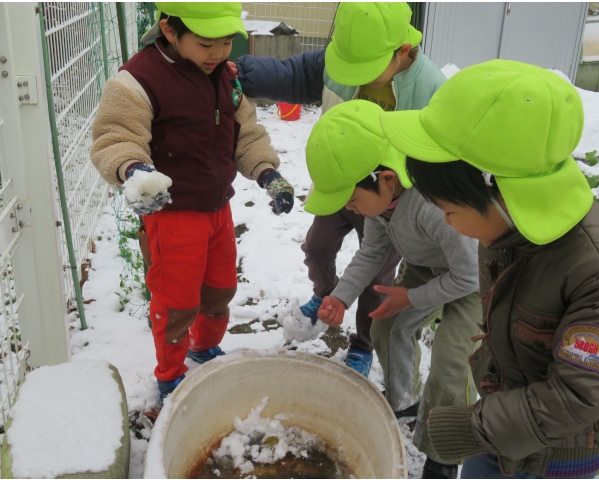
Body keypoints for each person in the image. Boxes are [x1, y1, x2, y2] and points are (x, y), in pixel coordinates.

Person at [379, 59, 599, 479]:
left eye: (449, 210)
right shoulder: (504, 231)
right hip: (508, 418)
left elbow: (578, 395)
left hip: (562, 449)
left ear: (500, 194)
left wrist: (473, 427)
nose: (446, 222)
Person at [90, 2, 295, 402]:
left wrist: (267, 172)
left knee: (220, 287)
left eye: (226, 41)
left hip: (217, 206)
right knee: (177, 300)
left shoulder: (225, 76)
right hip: (172, 213)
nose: (218, 53)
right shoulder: (138, 82)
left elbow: (246, 132)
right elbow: (116, 137)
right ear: (170, 29)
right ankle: (170, 373)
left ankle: (204, 346)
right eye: (205, 43)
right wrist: (134, 170)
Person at [232, 2, 446, 378]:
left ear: (402, 51)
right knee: (317, 247)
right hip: (339, 187)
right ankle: (327, 294)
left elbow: (441, 157)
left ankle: (363, 343)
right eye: (347, 67)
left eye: (363, 71)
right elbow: (294, 74)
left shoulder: (432, 90)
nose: (352, 76)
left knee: (378, 277)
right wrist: (244, 73)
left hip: (387, 201)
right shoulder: (345, 55)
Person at [306, 100, 481, 480]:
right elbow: (372, 251)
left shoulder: (432, 206)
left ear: (386, 178)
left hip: (476, 279)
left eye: (352, 199)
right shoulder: (381, 205)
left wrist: (411, 297)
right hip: (427, 267)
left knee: (453, 361)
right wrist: (341, 295)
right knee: (387, 327)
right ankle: (405, 399)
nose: (351, 208)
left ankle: (444, 451)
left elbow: (470, 276)